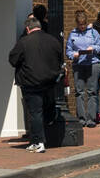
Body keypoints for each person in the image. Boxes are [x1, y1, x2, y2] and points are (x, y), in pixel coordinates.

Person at [8, 16, 63, 152]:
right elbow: (60, 59)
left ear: (28, 28)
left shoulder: (24, 42)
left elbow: (13, 60)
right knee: (46, 110)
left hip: (30, 82)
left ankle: (39, 141)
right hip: (49, 81)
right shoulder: (53, 40)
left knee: (35, 113)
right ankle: (36, 140)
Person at [67, 10, 100, 125]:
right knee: (79, 92)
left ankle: (91, 119)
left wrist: (92, 48)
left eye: (83, 24)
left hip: (93, 63)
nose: (82, 27)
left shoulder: (93, 33)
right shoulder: (73, 34)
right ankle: (82, 119)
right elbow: (68, 50)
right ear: (77, 23)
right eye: (80, 25)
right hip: (78, 65)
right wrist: (74, 54)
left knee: (92, 91)